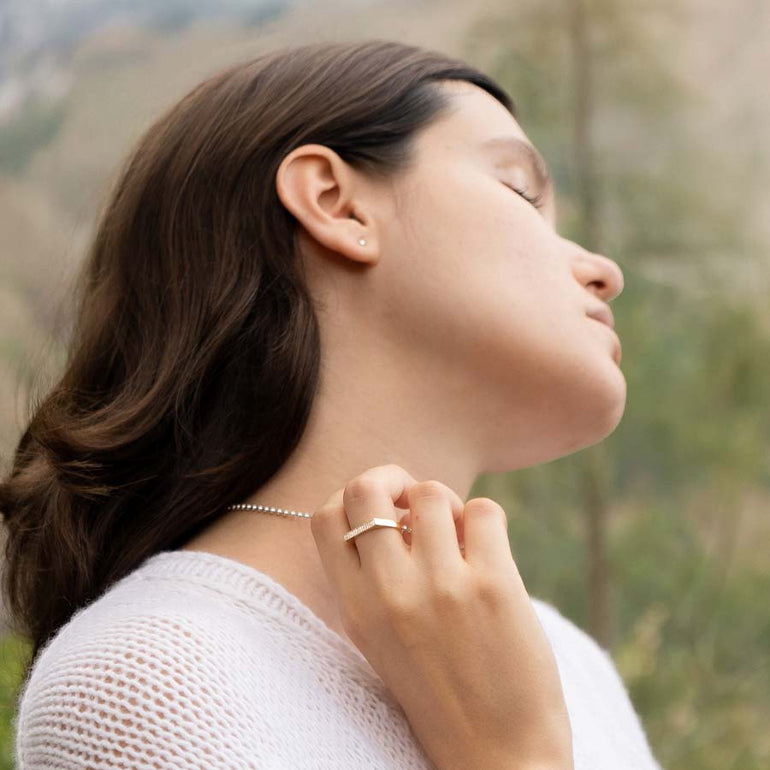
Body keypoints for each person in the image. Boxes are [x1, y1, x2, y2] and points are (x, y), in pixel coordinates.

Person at [0, 39, 663, 769]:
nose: (604, 271)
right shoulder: (146, 679)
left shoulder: (570, 665)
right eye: (518, 190)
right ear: (334, 203)